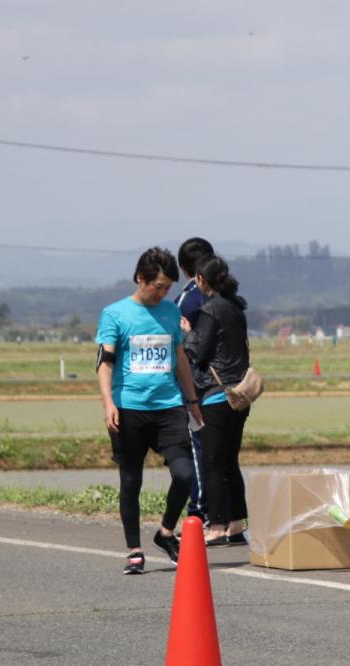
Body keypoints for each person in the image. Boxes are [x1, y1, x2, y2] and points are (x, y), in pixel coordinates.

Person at [96, 248, 202, 575]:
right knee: (131, 481)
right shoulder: (115, 314)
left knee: (185, 474)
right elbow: (104, 363)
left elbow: (180, 359)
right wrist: (109, 403)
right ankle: (134, 550)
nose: (162, 293)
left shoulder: (170, 314)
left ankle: (166, 532)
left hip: (169, 406)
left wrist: (193, 402)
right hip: (129, 408)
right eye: (156, 286)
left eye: (167, 287)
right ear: (139, 279)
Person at [183, 255, 251, 547]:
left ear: (200, 280)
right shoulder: (237, 307)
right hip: (241, 395)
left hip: (215, 394)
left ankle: (217, 526)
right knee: (230, 461)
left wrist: (187, 333)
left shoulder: (208, 310)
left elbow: (196, 352)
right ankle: (236, 525)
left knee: (211, 462)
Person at [174, 237, 215, 527]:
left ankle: (199, 511)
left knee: (196, 447)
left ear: (184, 268)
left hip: (196, 384)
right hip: (225, 385)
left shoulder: (186, 299)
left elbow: (178, 346)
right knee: (220, 452)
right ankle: (225, 516)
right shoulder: (223, 297)